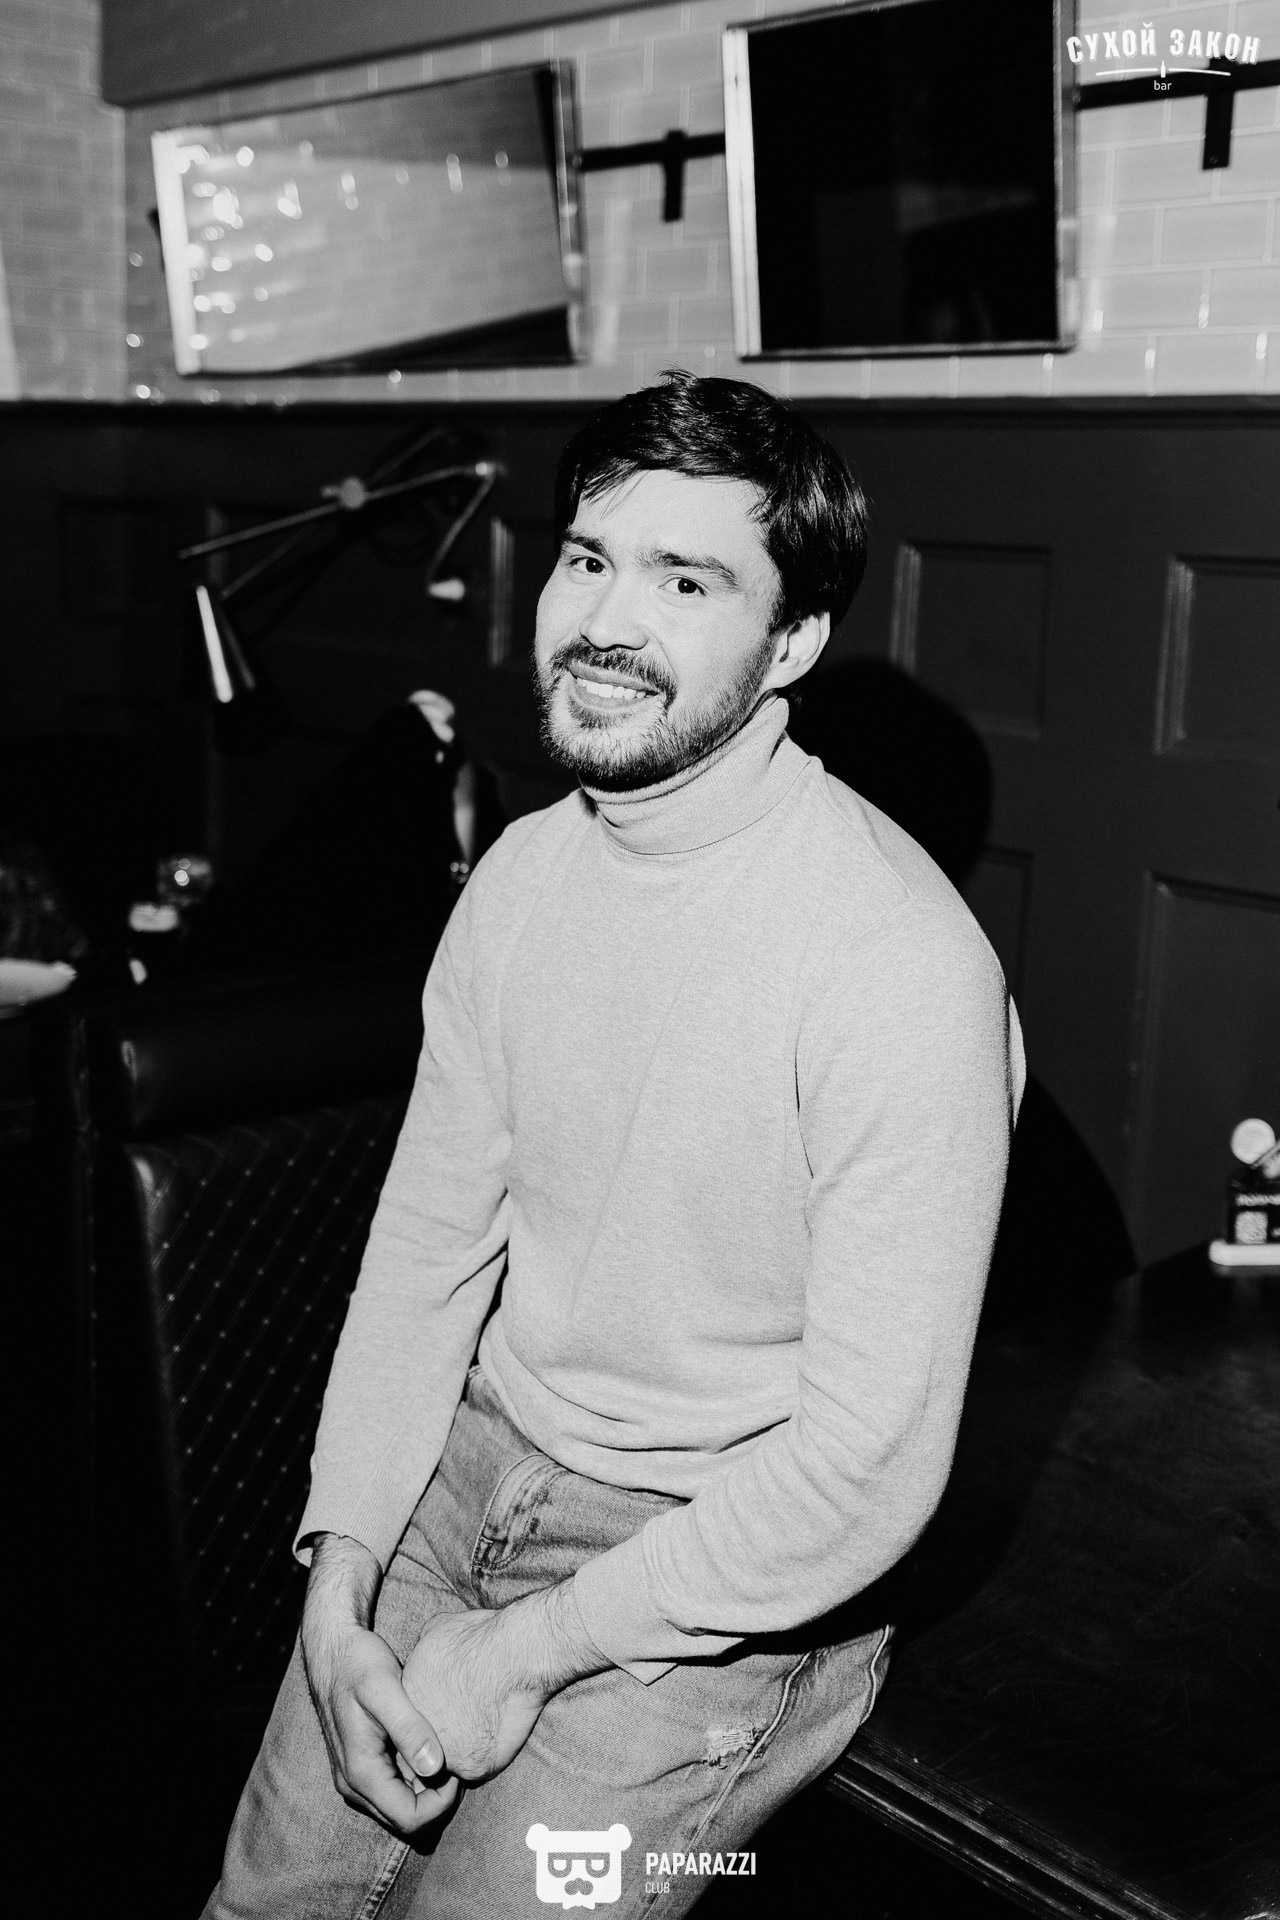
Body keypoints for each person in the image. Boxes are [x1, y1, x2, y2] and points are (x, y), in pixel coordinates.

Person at [203, 370, 1024, 1919]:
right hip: (472, 1471)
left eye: (686, 581)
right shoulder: (521, 878)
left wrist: (522, 1654)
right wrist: (342, 1572)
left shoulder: (900, 965)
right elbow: (427, 1258)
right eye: (590, 558)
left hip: (728, 1567)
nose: (605, 621)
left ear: (794, 644)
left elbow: (861, 1472)